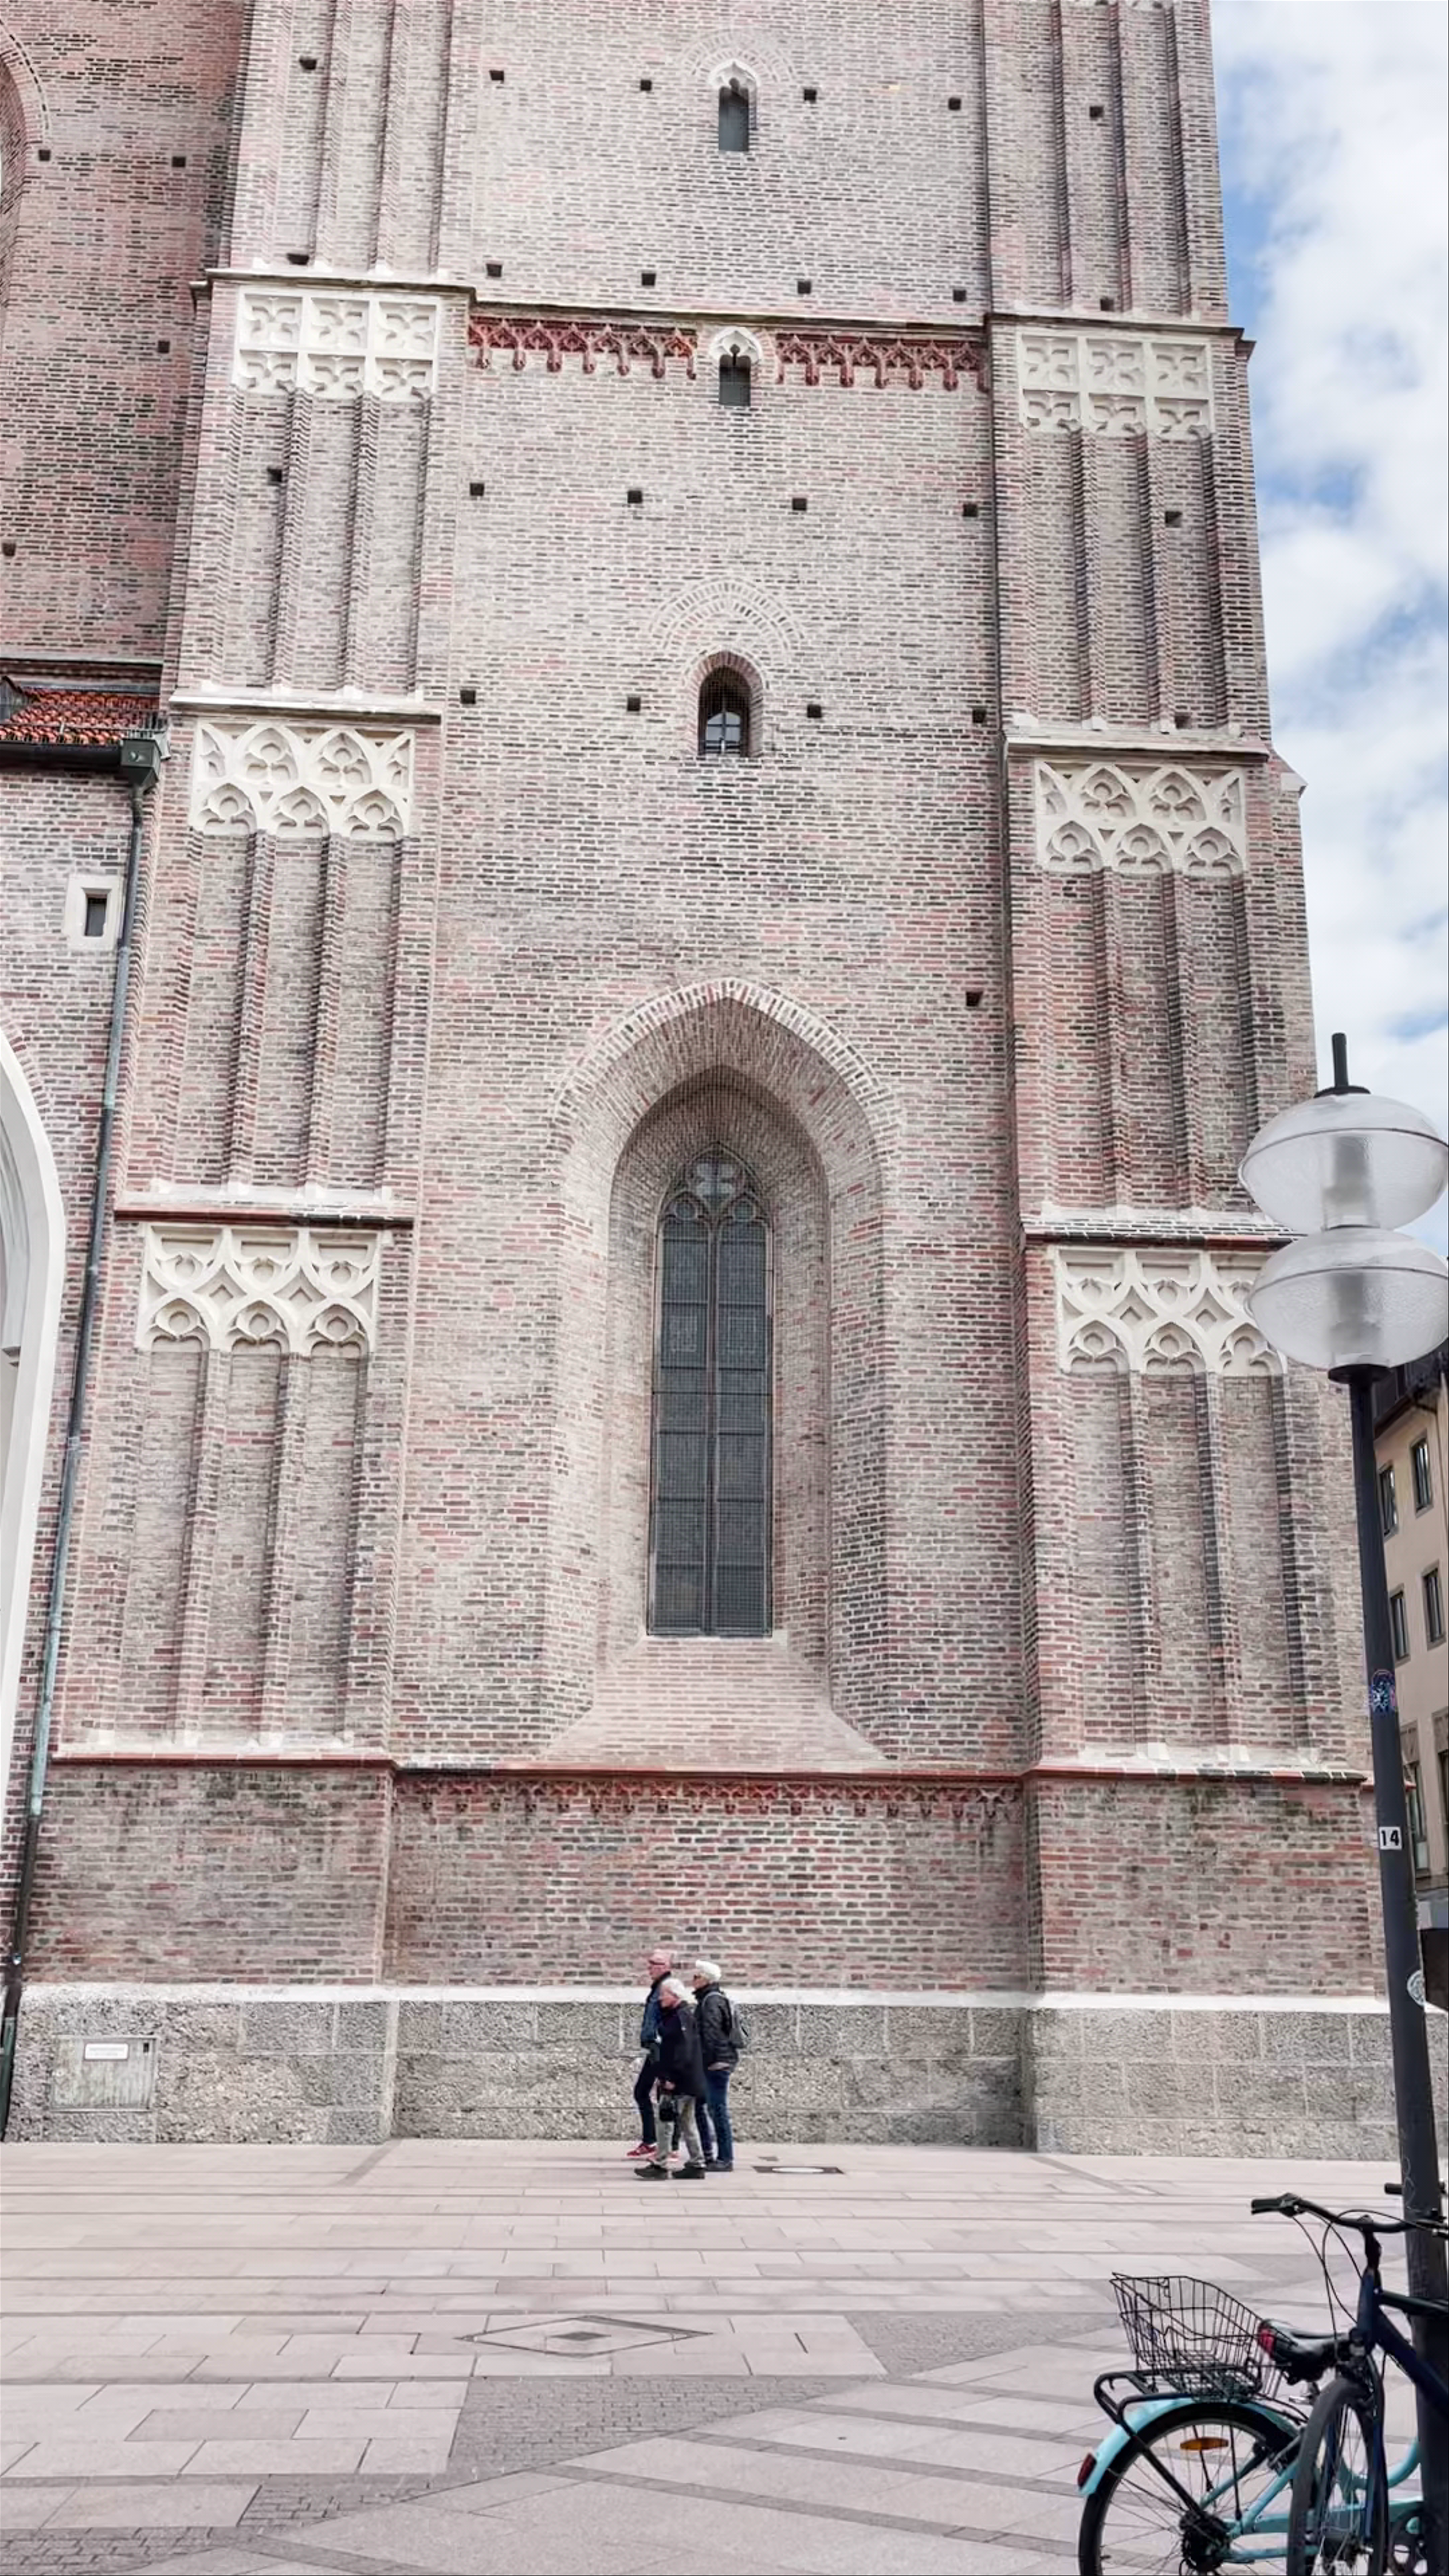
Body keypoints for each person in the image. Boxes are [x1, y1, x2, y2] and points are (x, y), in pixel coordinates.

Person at [637, 1976, 706, 2179]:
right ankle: (697, 2163)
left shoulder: (680, 2018)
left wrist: (669, 2078)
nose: (660, 1999)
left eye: (664, 1995)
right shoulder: (680, 2015)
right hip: (688, 2081)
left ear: (675, 1995)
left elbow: (682, 2052)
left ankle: (660, 2164)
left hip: (678, 2082)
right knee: (687, 2123)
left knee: (665, 2122)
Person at [690, 1958, 739, 2172]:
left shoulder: (711, 2001)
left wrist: (703, 2064)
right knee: (703, 2107)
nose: (693, 1981)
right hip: (717, 2062)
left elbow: (709, 2035)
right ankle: (709, 2154)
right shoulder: (713, 1998)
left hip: (716, 2064)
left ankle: (725, 2159)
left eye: (696, 1977)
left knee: (717, 2110)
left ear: (705, 1979)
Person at [626, 1947, 672, 2161]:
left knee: (660, 2095)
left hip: (661, 2049)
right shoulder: (658, 1988)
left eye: (654, 1964)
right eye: (650, 1963)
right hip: (655, 2048)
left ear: (665, 1967)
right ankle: (654, 2142)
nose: (650, 1968)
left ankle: (664, 2145)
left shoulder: (666, 1988)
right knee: (646, 2092)